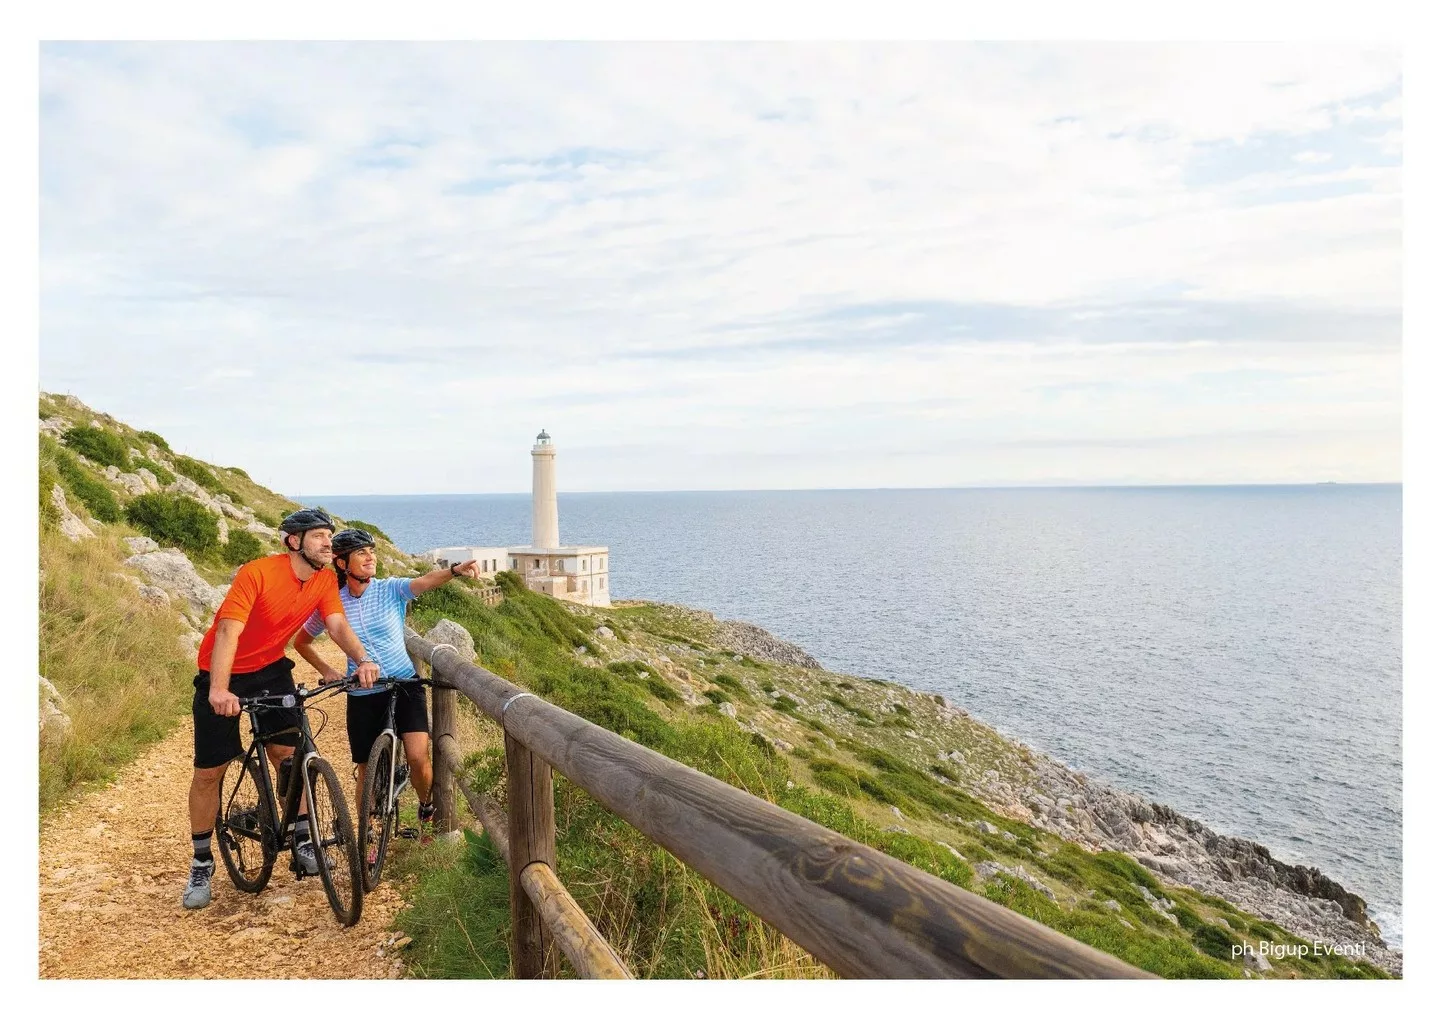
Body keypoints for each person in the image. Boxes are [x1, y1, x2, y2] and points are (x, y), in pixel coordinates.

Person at [183, 508, 380, 910]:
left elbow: (337, 626)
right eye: (319, 535)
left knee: (292, 755)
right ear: (294, 541)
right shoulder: (257, 573)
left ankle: (304, 838)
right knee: (209, 771)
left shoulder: (324, 579)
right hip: (223, 669)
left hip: (271, 669)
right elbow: (228, 630)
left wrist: (362, 660)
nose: (328, 542)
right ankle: (201, 861)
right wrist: (219, 689)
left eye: (330, 536)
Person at [294, 529, 479, 846]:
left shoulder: (389, 589)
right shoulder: (332, 603)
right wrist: (326, 670)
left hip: (404, 683)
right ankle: (365, 833)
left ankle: (425, 809)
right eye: (361, 552)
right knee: (365, 767)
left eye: (372, 551)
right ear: (342, 563)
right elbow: (302, 641)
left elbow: (423, 582)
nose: (371, 557)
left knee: (418, 756)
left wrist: (454, 571)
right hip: (362, 691)